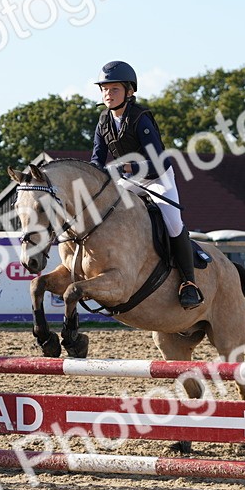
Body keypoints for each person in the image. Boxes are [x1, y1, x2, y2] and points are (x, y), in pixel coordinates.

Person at [90, 60, 202, 309]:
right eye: (105, 89)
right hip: (129, 180)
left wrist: (126, 168)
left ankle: (189, 283)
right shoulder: (103, 121)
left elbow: (158, 164)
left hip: (158, 178)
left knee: (173, 223)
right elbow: (96, 160)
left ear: (129, 91)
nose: (108, 94)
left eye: (114, 89)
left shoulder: (140, 119)